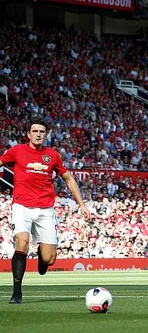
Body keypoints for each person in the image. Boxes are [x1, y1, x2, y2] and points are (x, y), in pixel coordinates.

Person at [0, 118, 91, 304]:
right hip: (21, 205)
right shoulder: (17, 151)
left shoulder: (52, 155)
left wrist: (82, 204)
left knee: (49, 260)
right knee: (22, 242)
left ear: (46, 135)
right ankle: (17, 293)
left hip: (45, 209)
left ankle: (42, 258)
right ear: (29, 134)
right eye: (35, 131)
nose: (38, 134)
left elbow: (68, 179)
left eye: (42, 132)